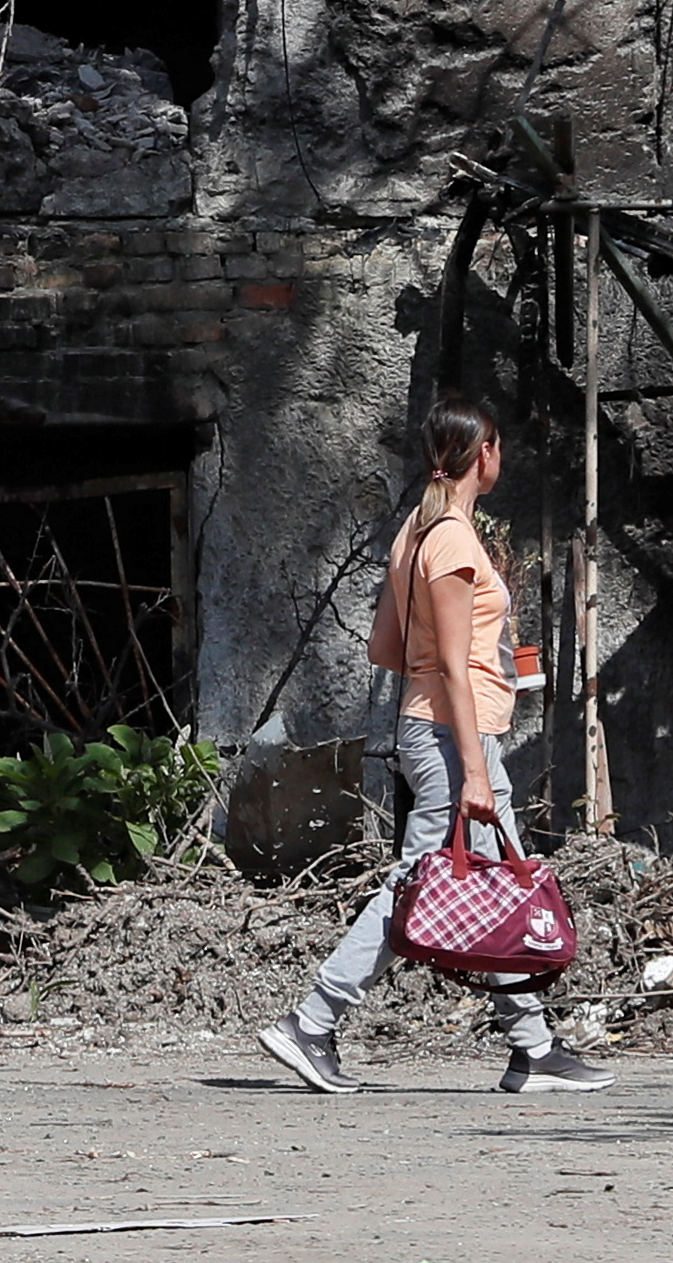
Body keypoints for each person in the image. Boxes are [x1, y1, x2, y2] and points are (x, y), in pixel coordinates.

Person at [258, 397, 609, 1097]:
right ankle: (312, 1019)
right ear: (483, 454)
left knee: (483, 881)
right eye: (498, 448)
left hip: (439, 726)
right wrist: (474, 764)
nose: (499, 460)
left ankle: (531, 1044)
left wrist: (482, 664)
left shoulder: (413, 535)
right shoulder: (450, 538)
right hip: (455, 735)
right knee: (422, 881)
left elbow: (384, 647)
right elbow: (448, 662)